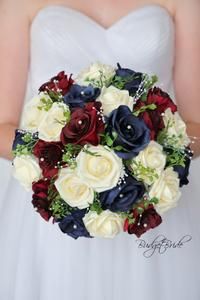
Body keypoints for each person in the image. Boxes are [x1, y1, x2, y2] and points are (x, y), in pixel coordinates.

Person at [0, 0, 200, 299]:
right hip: (56, 207)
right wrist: (63, 161)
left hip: (152, 208)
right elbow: (4, 124)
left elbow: (195, 123)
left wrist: (149, 160)